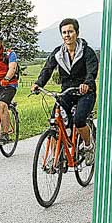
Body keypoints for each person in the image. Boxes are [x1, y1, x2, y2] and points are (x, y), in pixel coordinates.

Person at [32, 17, 98, 165]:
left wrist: (87, 83)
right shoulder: (58, 53)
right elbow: (47, 69)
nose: (67, 35)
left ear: (77, 33)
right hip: (66, 92)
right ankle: (55, 157)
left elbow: (92, 71)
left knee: (79, 119)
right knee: (55, 121)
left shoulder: (87, 52)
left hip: (85, 93)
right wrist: (38, 83)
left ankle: (88, 146)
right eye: (64, 32)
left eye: (70, 31)